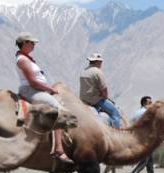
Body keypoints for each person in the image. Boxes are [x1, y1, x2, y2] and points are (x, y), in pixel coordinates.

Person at [15, 32, 73, 165]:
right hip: (31, 90)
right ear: (24, 43)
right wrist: (50, 89)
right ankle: (59, 149)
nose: (34, 45)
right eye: (31, 42)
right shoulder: (23, 60)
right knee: (57, 110)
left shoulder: (27, 58)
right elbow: (32, 82)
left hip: (36, 89)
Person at [79, 53, 121, 128]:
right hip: (96, 100)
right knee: (115, 113)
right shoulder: (98, 72)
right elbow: (104, 89)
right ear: (98, 62)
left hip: (83, 100)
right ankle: (117, 132)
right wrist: (106, 97)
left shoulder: (84, 72)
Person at [127, 96, 157, 173]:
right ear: (144, 103)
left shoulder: (138, 112)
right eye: (150, 103)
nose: (152, 104)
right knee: (146, 158)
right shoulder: (146, 112)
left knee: (150, 158)